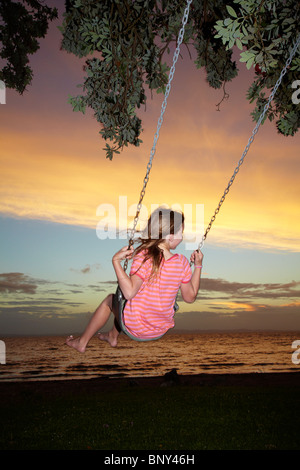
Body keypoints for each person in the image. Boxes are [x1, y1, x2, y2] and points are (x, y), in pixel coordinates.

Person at [66, 207, 203, 352]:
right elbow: (190, 297)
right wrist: (198, 266)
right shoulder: (181, 262)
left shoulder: (144, 255)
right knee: (125, 303)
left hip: (134, 326)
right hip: (160, 329)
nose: (182, 236)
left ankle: (82, 342)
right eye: (181, 232)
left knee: (111, 300)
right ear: (170, 236)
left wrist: (116, 262)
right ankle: (112, 336)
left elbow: (129, 292)